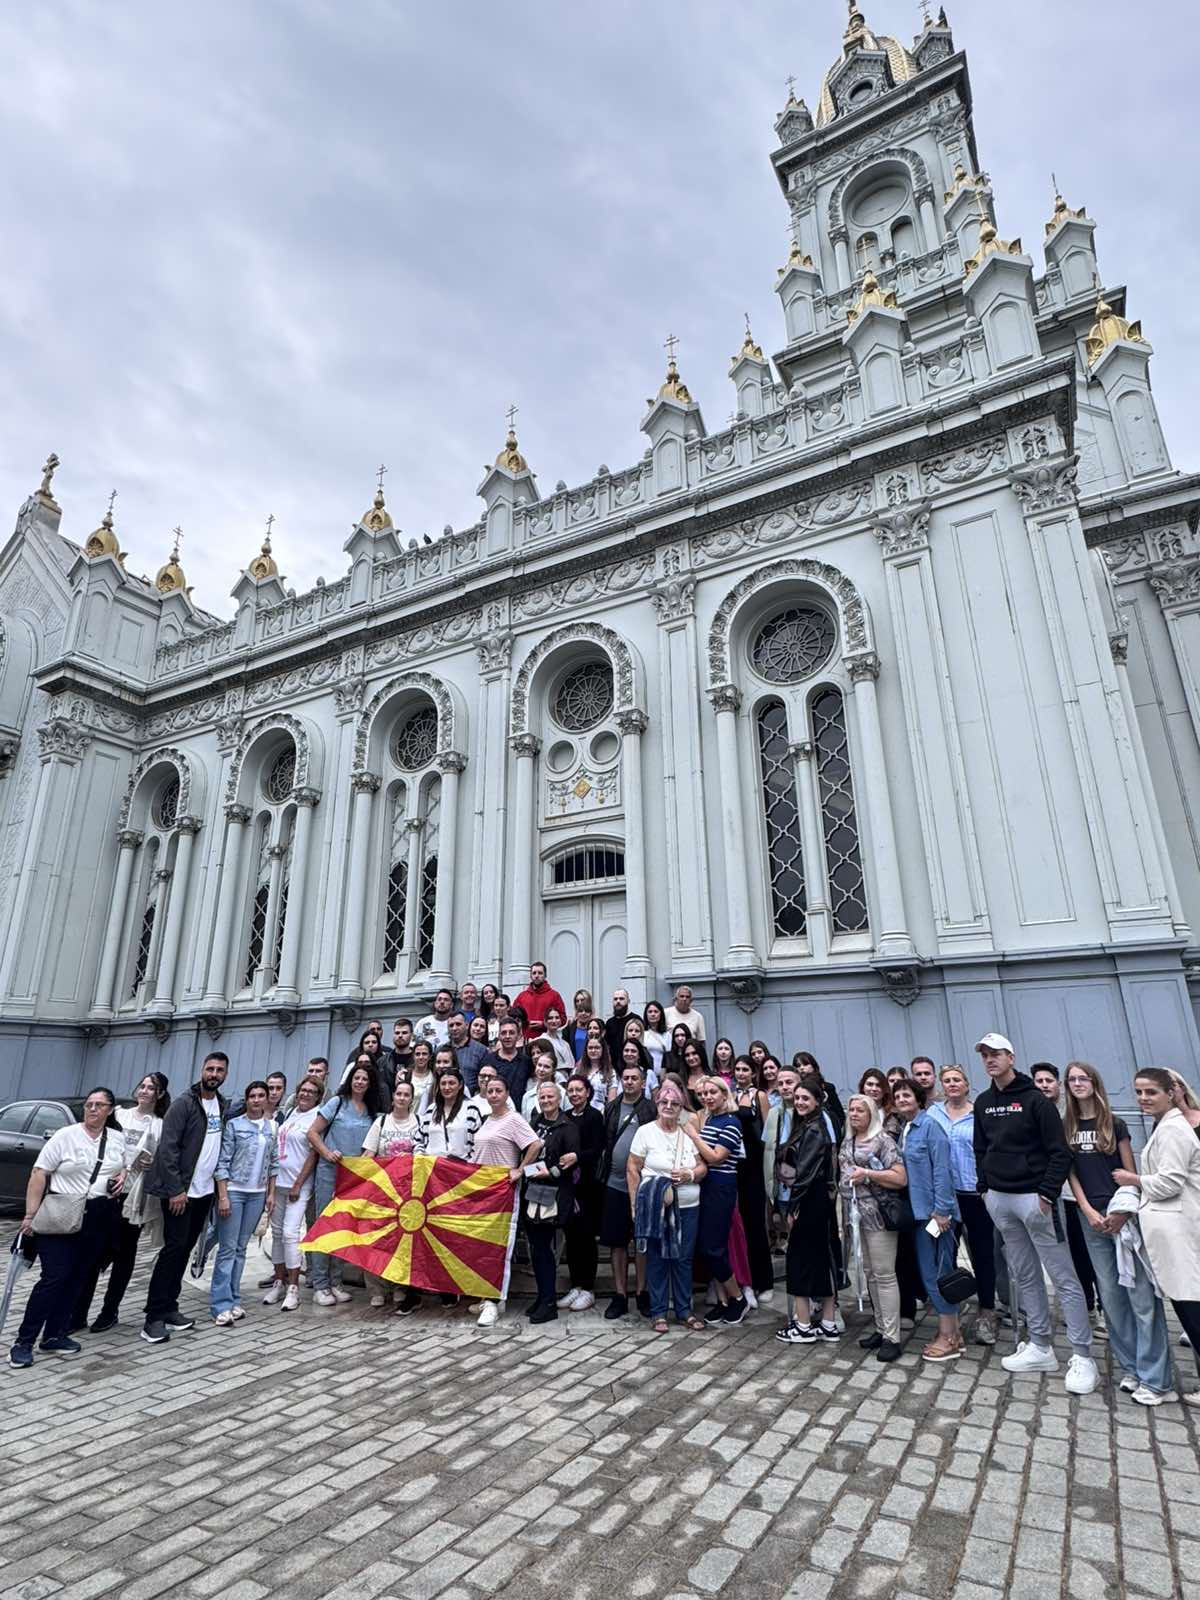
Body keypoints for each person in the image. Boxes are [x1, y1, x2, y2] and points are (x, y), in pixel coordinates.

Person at [972, 1033, 1098, 1394]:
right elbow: (980, 1147)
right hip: (1000, 1198)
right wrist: (984, 1187)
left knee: (1064, 1277)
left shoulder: (1036, 1101)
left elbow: (1059, 1151)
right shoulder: (983, 1102)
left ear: (1011, 1057)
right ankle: (1040, 1345)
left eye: (996, 1054)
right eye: (985, 1055)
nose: (990, 1060)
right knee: (1024, 1274)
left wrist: (1046, 1193)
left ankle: (1082, 1354)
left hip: (1034, 1198)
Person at [1062, 1061, 1171, 1404]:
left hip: (1123, 1216)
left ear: (1094, 1083)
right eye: (1072, 1080)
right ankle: (1131, 1368)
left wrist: (1123, 1212)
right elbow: (1072, 1175)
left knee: (1141, 1296)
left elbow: (1129, 1171)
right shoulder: (1067, 1127)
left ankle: (1156, 1377)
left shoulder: (1114, 1123)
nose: (1077, 1083)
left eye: (1083, 1078)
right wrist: (1087, 1210)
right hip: (1091, 1218)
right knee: (1111, 1296)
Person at [8, 1087, 127, 1368]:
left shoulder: (116, 1138)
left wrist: (123, 1174)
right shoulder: (65, 1136)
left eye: (99, 1105)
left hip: (97, 1215)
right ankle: (23, 1341)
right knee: (54, 1277)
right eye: (89, 1104)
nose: (92, 1109)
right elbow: (39, 1173)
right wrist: (29, 1216)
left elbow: (122, 1166)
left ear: (110, 1110)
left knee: (78, 1277)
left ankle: (54, 1334)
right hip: (60, 1214)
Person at [1114, 1068, 1200, 1405]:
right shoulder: (1164, 1125)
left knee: (1190, 1305)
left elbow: (1170, 1182)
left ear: (1170, 1093)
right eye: (1139, 1092)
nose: (1143, 1099)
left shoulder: (1175, 1129)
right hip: (1172, 1229)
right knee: (1186, 1302)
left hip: (1179, 1228)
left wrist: (1133, 1179)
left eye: (1151, 1092)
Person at [141, 1052, 231, 1345]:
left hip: (204, 1192)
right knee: (173, 1250)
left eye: (219, 1070)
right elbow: (167, 1149)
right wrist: (176, 1190)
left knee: (185, 1249)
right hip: (182, 1193)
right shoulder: (184, 1103)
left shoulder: (221, 1105)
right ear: (202, 1070)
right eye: (210, 1069)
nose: (214, 1074)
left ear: (225, 1074)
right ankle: (153, 1316)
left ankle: (170, 1306)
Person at [71, 1072, 166, 1334]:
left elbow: (161, 1159)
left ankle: (109, 1311)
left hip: (134, 1197)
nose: (145, 1091)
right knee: (94, 1253)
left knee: (124, 1255)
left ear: (159, 1094)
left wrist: (152, 1164)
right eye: (142, 1086)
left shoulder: (159, 1125)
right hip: (107, 1192)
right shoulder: (121, 1115)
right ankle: (78, 1313)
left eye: (151, 1088)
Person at [627, 1079, 708, 1333]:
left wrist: (689, 1174)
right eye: (664, 1102)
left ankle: (684, 1310)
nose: (669, 1106)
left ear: (681, 1107)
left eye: (674, 1103)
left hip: (688, 1205)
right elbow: (632, 1168)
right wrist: (634, 1204)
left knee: (684, 1258)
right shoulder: (645, 1132)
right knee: (657, 1258)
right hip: (656, 1207)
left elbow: (702, 1167)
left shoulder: (688, 1133)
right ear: (657, 1104)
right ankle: (659, 1312)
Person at [891, 1078, 961, 1363]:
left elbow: (942, 1170)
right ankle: (952, 1332)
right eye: (898, 1096)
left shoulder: (931, 1127)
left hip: (934, 1214)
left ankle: (948, 1337)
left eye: (907, 1095)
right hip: (918, 1213)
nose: (902, 1099)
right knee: (932, 1271)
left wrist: (942, 1210)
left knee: (938, 1274)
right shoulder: (906, 1129)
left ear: (919, 1099)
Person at [927, 1065, 997, 1344]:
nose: (952, 1084)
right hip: (944, 1195)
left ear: (967, 1084)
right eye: (947, 1081)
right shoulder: (934, 1114)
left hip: (974, 1193)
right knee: (945, 1252)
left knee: (983, 1253)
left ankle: (986, 1311)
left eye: (957, 1080)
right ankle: (951, 1310)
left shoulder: (978, 1113)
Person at [307, 1060, 384, 1307]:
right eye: (356, 1077)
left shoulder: (372, 1112)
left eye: (365, 1079)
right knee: (324, 1225)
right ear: (350, 1080)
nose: (360, 1082)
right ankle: (320, 1284)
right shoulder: (337, 1103)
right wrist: (327, 1153)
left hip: (354, 1178)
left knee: (344, 1228)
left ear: (370, 1084)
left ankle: (336, 1282)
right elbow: (312, 1133)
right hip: (329, 1173)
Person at [467, 1076, 542, 1327]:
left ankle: (494, 1301)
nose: (494, 1095)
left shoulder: (514, 1119)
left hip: (502, 1191)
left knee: (498, 1247)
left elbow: (535, 1144)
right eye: (490, 1091)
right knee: (481, 1246)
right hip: (482, 1189)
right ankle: (487, 1297)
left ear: (507, 1093)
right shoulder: (487, 1120)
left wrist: (520, 1169)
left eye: (498, 1090)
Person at [1031, 1060, 1100, 1328]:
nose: (1044, 1085)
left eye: (1048, 1081)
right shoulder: (1034, 1111)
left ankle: (1101, 1308)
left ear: (1058, 1084)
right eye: (1039, 1081)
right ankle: (1085, 1307)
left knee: (1091, 1253)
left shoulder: (1070, 1112)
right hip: (1054, 1194)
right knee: (1071, 1254)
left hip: (1082, 1193)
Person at [838, 1093, 906, 1362]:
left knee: (884, 1273)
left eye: (860, 1110)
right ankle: (881, 1327)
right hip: (855, 1216)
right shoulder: (848, 1141)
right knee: (869, 1273)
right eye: (851, 1110)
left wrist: (867, 1175)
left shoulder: (883, 1141)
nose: (854, 1114)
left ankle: (892, 1336)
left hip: (878, 1216)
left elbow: (900, 1177)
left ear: (871, 1114)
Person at [774, 1081, 839, 1344]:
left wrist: (793, 1207)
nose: (800, 1102)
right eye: (798, 1097)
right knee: (822, 1258)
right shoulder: (809, 1125)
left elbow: (804, 1173)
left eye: (805, 1098)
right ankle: (828, 1323)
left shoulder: (814, 1129)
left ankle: (803, 1325)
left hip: (809, 1200)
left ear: (817, 1101)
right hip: (817, 1200)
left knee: (800, 1259)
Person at [210, 1081, 278, 1326]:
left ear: (267, 1099)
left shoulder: (272, 1127)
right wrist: (223, 1196)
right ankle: (220, 1304)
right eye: (252, 1096)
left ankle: (234, 1299)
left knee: (241, 1248)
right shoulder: (234, 1125)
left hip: (257, 1194)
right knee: (227, 1249)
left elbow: (273, 1163)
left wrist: (271, 1193)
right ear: (247, 1099)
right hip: (235, 1191)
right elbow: (223, 1162)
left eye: (261, 1095)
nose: (257, 1100)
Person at [685, 1077, 749, 1325]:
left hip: (722, 1186)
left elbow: (716, 1157)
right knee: (707, 1246)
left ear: (724, 1094)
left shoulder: (732, 1122)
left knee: (714, 1247)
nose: (707, 1098)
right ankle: (724, 1301)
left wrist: (694, 1135)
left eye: (712, 1092)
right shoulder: (711, 1119)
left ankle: (738, 1298)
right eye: (703, 1094)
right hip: (706, 1185)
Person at [359, 1077, 424, 1309]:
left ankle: (400, 1287)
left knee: (403, 1242)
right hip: (382, 1191)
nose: (402, 1098)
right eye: (399, 1094)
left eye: (407, 1095)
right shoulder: (381, 1122)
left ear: (412, 1099)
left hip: (409, 1193)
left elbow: (424, 1155)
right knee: (377, 1239)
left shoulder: (419, 1122)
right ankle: (377, 1288)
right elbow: (368, 1154)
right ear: (393, 1097)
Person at [599, 1061, 656, 1319]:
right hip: (614, 1184)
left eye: (634, 1078)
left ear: (643, 1082)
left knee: (641, 1241)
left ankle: (642, 1292)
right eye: (626, 1078)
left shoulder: (650, 1109)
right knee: (617, 1242)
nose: (630, 1081)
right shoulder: (611, 1107)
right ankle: (620, 1294)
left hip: (643, 1186)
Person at [263, 1075, 323, 1311]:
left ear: (318, 1097)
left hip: (299, 1183)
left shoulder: (317, 1117)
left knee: (290, 1233)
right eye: (303, 1090)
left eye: (311, 1091)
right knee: (277, 1232)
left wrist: (298, 1184)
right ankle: (279, 1281)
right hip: (279, 1181)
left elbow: (313, 1154)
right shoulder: (290, 1113)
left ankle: (293, 1288)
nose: (305, 1094)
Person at [524, 1082, 580, 1322]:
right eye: (542, 1097)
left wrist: (551, 1172)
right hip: (532, 1190)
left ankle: (549, 1302)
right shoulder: (535, 1122)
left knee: (545, 1248)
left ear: (559, 1099)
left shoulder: (568, 1127)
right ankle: (542, 1296)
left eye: (550, 1097)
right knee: (536, 1248)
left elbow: (571, 1162)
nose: (546, 1100)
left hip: (553, 1194)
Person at [560, 1074, 604, 1312]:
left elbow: (597, 1149)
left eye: (579, 1089)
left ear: (588, 1092)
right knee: (572, 1236)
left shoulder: (595, 1116)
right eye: (571, 1090)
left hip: (587, 1185)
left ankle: (588, 1287)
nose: (574, 1094)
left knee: (586, 1237)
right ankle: (575, 1284)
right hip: (568, 1185)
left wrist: (577, 1157)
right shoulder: (565, 1116)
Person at [419, 1059, 481, 1160]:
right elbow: (419, 1140)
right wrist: (421, 1156)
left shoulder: (471, 1109)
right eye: (443, 1083)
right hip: (432, 1165)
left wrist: (470, 1163)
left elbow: (478, 1143)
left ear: (460, 1085)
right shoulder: (431, 1110)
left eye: (451, 1083)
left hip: (460, 1166)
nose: (447, 1087)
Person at [794, 1054, 845, 1144]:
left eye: (805, 1064)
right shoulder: (796, 1089)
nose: (801, 1068)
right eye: (798, 1066)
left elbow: (839, 1114)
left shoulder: (828, 1087)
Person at [482, 1018, 531, 1110]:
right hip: (494, 1111)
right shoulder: (488, 1060)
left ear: (518, 1036)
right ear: (499, 1036)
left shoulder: (527, 1061)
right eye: (504, 1033)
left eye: (511, 1033)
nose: (507, 1036)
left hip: (521, 1112)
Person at [514, 961, 567, 1041]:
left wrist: (544, 1024)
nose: (537, 976)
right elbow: (513, 1017)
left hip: (548, 1041)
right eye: (534, 973)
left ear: (545, 976)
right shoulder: (522, 996)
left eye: (540, 973)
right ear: (530, 976)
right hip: (525, 1040)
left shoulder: (554, 996)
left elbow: (562, 1019)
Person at [447, 1011, 486, 1093]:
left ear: (467, 1025)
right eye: (451, 1025)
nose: (454, 1028)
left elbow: (485, 1079)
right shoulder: (442, 1050)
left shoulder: (481, 1050)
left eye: (458, 1024)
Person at [521, 1048, 562, 1121]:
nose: (541, 1069)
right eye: (539, 1065)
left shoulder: (562, 1093)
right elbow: (525, 1122)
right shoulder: (527, 1096)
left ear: (553, 1070)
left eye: (546, 1067)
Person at [582, 1033, 618, 1110]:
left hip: (601, 1113)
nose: (593, 1050)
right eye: (590, 1048)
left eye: (597, 1048)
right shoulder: (577, 1071)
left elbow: (612, 1102)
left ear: (603, 1050)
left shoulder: (611, 1073)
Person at [541, 1006, 575, 1078]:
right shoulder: (541, 1041)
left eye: (557, 1018)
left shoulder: (565, 1044)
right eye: (550, 1018)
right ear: (545, 1021)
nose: (554, 1021)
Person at [641, 1002, 670, 1078]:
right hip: (646, 1076)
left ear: (661, 1014)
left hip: (663, 1076)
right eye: (650, 1012)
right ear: (646, 1014)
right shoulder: (642, 1034)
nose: (653, 1014)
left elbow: (669, 1057)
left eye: (656, 1011)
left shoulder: (667, 1035)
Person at [604, 989, 633, 1063]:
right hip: (613, 1065)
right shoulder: (609, 1023)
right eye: (615, 999)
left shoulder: (635, 1020)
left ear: (628, 1001)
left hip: (630, 1063)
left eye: (621, 998)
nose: (618, 1001)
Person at [407, 1039, 436, 1110]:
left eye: (424, 1054)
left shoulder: (434, 1077)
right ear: (413, 1056)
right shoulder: (405, 1075)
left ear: (430, 1056)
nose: (421, 1057)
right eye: (417, 1054)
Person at [681, 1038, 710, 1110]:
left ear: (701, 1054)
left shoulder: (713, 1077)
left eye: (694, 1053)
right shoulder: (680, 1079)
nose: (691, 1058)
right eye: (687, 1055)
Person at [568, 989, 594, 1060]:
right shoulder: (571, 1025)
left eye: (582, 1000)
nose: (579, 1003)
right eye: (577, 1001)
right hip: (574, 1064)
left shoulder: (596, 1025)